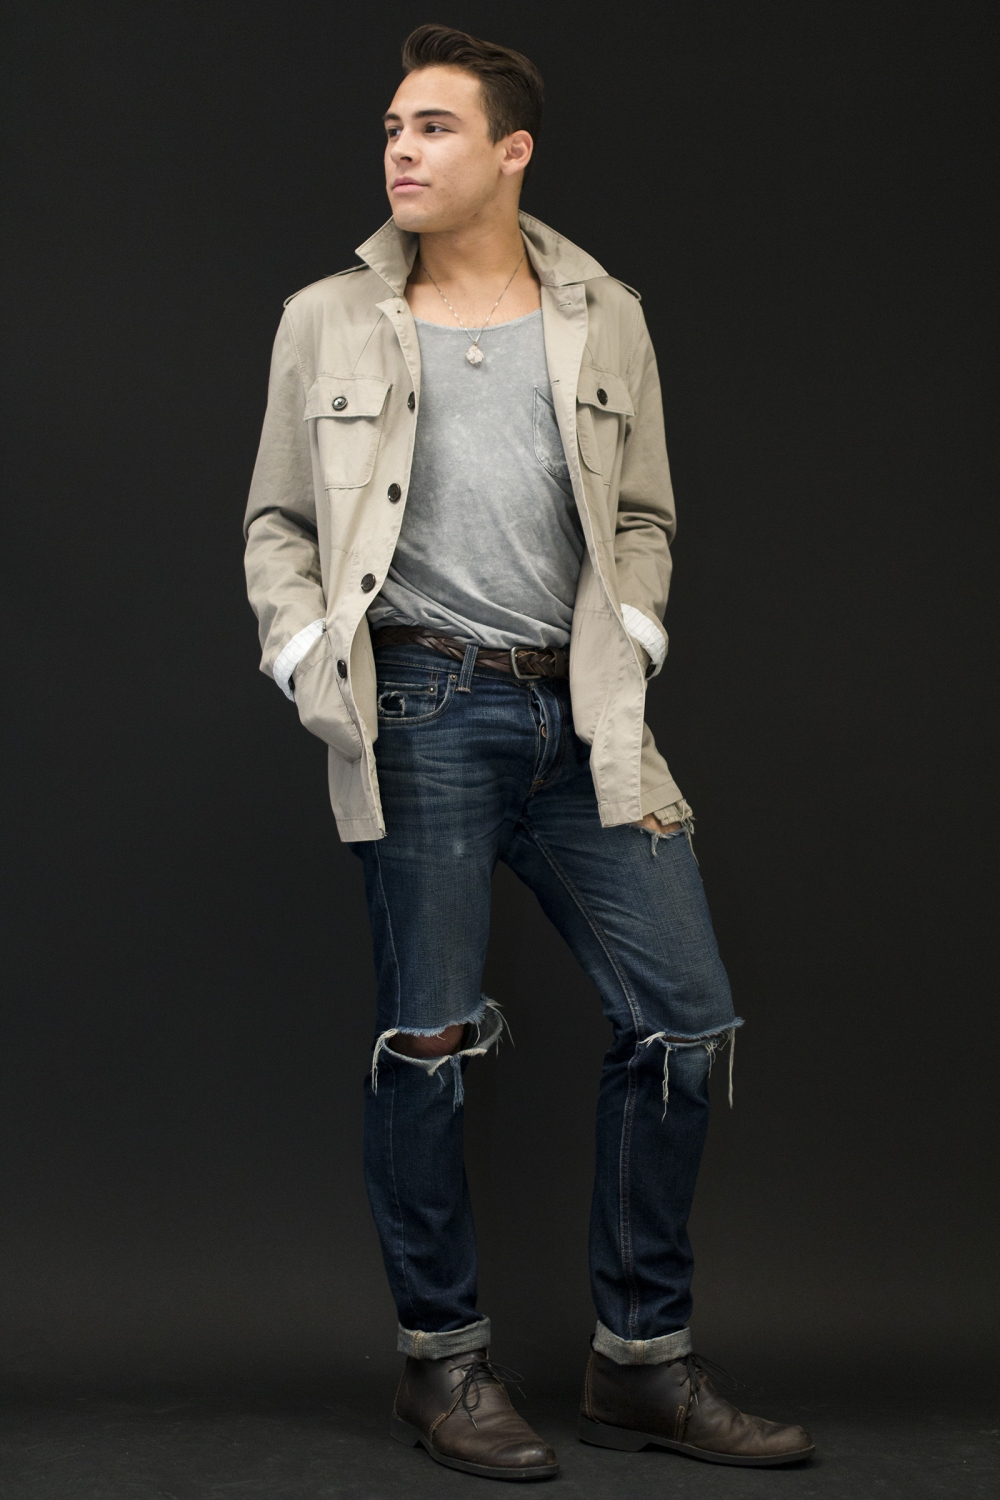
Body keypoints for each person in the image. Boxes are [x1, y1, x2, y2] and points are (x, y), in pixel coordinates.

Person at [243, 22, 813, 1483]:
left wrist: (640, 627)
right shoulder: (328, 318)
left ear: (513, 152)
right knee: (425, 1043)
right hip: (421, 710)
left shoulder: (606, 313)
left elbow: (647, 513)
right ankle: (440, 1364)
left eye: (433, 127)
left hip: (586, 718)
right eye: (391, 127)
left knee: (684, 1021)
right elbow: (280, 523)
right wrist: (305, 653)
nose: (400, 150)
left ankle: (643, 1365)